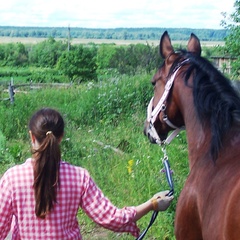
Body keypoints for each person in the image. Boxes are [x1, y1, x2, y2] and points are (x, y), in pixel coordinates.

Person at [0, 108, 173, 239]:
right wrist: (152, 204)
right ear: (61, 137)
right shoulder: (78, 177)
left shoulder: (12, 179)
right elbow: (112, 218)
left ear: (31, 136)